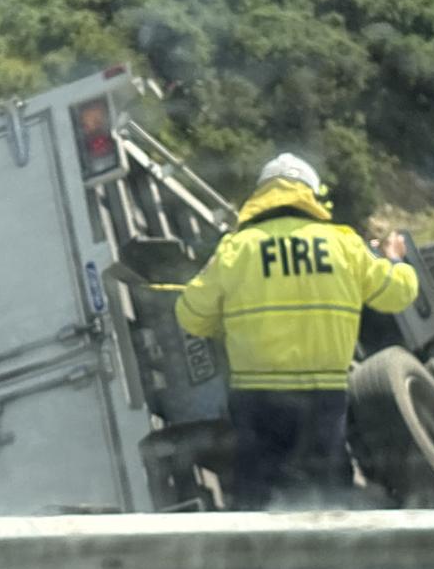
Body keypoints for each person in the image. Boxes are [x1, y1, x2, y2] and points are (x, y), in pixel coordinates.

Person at [174, 153, 419, 509]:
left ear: (261, 196)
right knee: (330, 494)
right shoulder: (343, 244)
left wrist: (225, 327)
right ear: (311, 195)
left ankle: (262, 558)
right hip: (324, 399)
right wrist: (395, 258)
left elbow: (189, 315)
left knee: (257, 501)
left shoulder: (237, 249)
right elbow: (398, 294)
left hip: (257, 401)